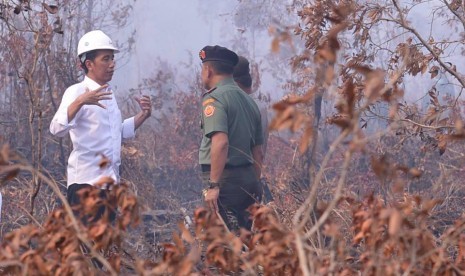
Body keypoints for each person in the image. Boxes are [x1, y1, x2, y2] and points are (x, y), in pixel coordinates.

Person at [50, 30, 151, 222]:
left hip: (109, 187)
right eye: (106, 59)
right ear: (89, 64)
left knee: (102, 249)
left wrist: (143, 115)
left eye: (112, 59)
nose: (112, 64)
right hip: (86, 187)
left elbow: (116, 134)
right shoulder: (77, 91)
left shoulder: (108, 94)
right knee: (87, 249)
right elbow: (56, 128)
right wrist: (81, 101)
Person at [198, 45, 264, 232]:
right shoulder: (249, 101)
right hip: (249, 180)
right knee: (244, 238)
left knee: (222, 242)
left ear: (208, 70)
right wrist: (255, 185)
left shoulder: (215, 99)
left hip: (225, 181)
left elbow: (221, 142)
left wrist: (214, 186)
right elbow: (258, 152)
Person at [233, 56, 274, 203]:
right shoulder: (260, 107)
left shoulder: (237, 106)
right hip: (253, 178)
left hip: (236, 183)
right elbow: (260, 152)